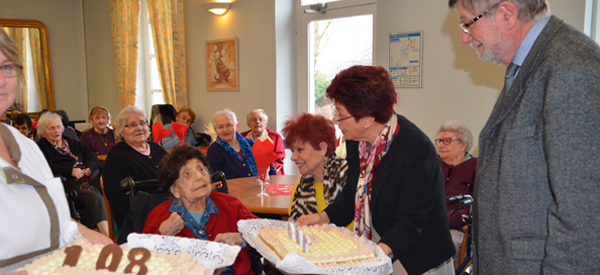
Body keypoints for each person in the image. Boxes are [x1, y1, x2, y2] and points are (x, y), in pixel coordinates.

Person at [449, 0, 600, 273]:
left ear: (506, 13)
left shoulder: (572, 68)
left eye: (468, 23)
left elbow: (585, 217)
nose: (463, 37)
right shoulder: (527, 65)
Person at [296, 65, 455, 275]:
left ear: (367, 119)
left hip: (418, 257)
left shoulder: (415, 149)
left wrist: (369, 260)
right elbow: (351, 196)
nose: (334, 119)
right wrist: (322, 217)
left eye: (340, 114)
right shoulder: (357, 143)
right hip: (380, 242)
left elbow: (410, 223)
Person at [0, 27, 111, 272]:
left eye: (6, 67)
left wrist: (87, 236)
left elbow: (54, 217)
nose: (1, 79)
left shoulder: (26, 148)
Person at [143, 145, 258, 275]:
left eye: (201, 169)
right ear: (175, 190)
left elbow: (264, 235)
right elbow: (143, 263)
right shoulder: (159, 217)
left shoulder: (231, 204)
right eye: (187, 174)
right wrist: (162, 236)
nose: (199, 176)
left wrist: (241, 238)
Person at [36, 112, 110, 237]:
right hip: (70, 181)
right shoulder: (41, 147)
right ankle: (107, 235)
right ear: (43, 132)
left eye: (58, 127)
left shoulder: (71, 142)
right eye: (52, 128)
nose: (57, 130)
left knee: (110, 186)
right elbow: (46, 166)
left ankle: (119, 229)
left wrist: (89, 168)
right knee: (94, 196)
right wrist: (70, 171)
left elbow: (91, 156)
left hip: (90, 175)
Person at [102, 106, 168, 242]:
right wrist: (152, 214)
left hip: (167, 208)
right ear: (121, 132)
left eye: (142, 123)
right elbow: (117, 197)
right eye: (132, 125)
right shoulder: (117, 155)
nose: (139, 128)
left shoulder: (156, 148)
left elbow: (174, 174)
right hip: (137, 217)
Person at [281, 113, 348, 223]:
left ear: (322, 148)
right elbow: (294, 230)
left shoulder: (348, 182)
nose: (293, 157)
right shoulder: (299, 187)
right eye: (292, 151)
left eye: (300, 150)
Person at [435, 120, 477, 262]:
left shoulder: (476, 167)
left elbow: (472, 207)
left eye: (447, 141)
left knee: (433, 244)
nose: (440, 145)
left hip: (458, 230)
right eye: (440, 141)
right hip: (429, 224)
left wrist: (438, 222)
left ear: (463, 145)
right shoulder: (433, 165)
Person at [207, 108, 275, 180]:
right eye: (220, 127)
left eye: (229, 125)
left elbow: (271, 171)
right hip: (232, 190)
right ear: (216, 130)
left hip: (259, 189)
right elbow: (218, 181)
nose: (225, 130)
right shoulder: (214, 150)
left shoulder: (252, 143)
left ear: (237, 126)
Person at [240, 109, 286, 175]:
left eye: (260, 119)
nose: (257, 122)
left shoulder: (275, 137)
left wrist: (264, 170)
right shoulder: (242, 137)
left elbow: (279, 159)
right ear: (248, 123)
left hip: (272, 174)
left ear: (265, 122)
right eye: (254, 120)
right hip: (248, 174)